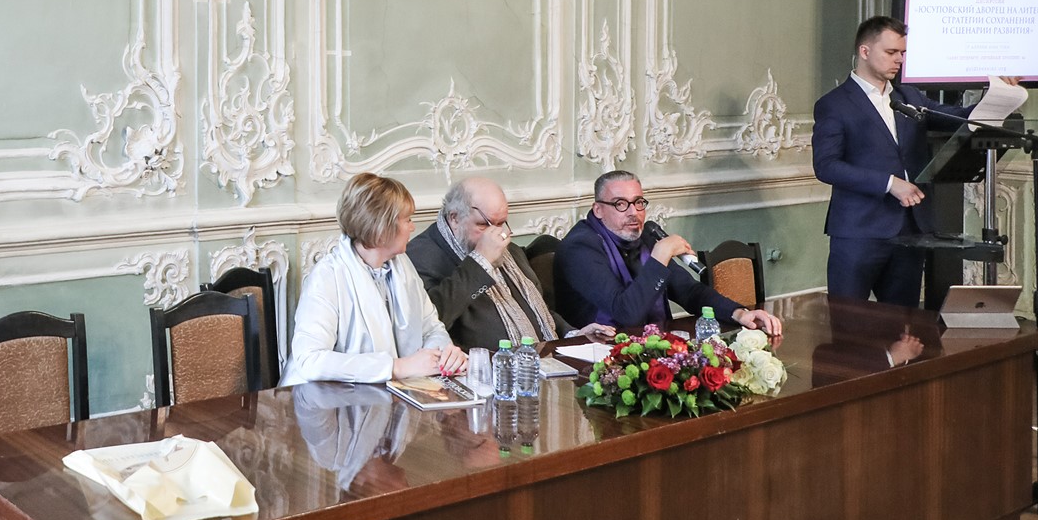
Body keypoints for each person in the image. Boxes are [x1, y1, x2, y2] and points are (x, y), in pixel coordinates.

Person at [811, 15, 975, 306]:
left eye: (902, 53)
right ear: (864, 51)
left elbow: (956, 118)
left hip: (910, 230)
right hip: (858, 232)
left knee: (903, 320)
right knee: (848, 321)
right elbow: (826, 166)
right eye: (891, 52)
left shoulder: (910, 96)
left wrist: (1000, 98)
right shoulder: (834, 104)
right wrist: (889, 183)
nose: (899, 59)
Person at [282, 172, 466, 386]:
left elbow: (432, 328)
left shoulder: (402, 265)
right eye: (407, 220)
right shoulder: (327, 277)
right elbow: (310, 360)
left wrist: (442, 355)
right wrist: (396, 367)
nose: (412, 227)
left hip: (386, 393)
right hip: (327, 399)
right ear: (381, 229)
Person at [553, 170, 782, 336]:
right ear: (598, 210)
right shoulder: (580, 248)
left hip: (647, 347)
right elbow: (626, 314)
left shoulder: (642, 237)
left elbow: (689, 292)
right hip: (595, 358)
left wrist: (739, 313)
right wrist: (660, 256)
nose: (633, 213)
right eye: (620, 204)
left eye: (638, 202)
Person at [407, 176, 616, 350]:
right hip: (485, 372)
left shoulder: (509, 250)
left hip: (541, 361)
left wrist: (574, 335)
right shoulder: (421, 256)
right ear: (454, 218)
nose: (497, 234)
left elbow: (537, 310)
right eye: (484, 225)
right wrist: (480, 262)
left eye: (501, 223)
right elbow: (431, 321)